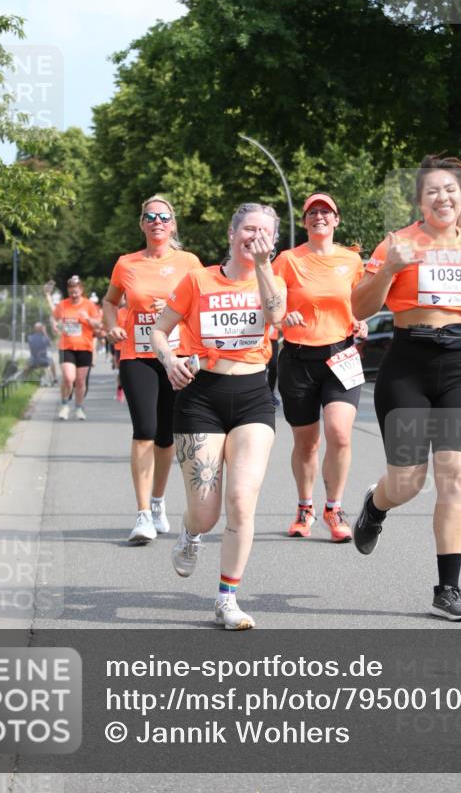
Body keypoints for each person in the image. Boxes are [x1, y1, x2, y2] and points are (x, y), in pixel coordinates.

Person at [351, 155, 461, 622]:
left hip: (458, 369)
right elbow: (360, 306)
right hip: (408, 367)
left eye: (450, 189)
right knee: (408, 482)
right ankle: (375, 504)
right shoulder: (398, 243)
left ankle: (447, 590)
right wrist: (388, 268)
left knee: (454, 479)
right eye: (432, 191)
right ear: (420, 201)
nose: (442, 197)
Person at [151, 202, 286, 630]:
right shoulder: (197, 279)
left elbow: (277, 315)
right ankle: (191, 535)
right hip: (200, 396)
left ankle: (227, 598)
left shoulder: (272, 279)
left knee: (242, 502)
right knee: (206, 514)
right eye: (248, 229)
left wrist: (264, 267)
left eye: (265, 231)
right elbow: (158, 330)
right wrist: (170, 359)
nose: (255, 237)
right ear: (231, 234)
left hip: (252, 396)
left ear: (274, 242)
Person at [103, 196, 201, 544]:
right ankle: (143, 513)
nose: (157, 221)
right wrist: (113, 325)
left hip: (176, 356)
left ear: (172, 224)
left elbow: (201, 305)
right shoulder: (126, 264)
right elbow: (110, 301)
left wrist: (174, 310)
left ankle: (158, 503)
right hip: (138, 355)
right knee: (144, 429)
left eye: (164, 216)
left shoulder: (189, 262)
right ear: (142, 224)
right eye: (150, 216)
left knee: (166, 435)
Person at [273, 193, 368, 542]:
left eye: (325, 212)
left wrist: (361, 322)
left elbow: (361, 302)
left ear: (337, 220)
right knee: (307, 442)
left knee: (340, 434)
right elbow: (269, 300)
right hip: (298, 359)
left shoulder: (352, 261)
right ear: (304, 222)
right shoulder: (287, 260)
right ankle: (304, 506)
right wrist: (283, 315)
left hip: (341, 355)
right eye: (312, 212)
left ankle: (334, 507)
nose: (319, 217)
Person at [48, 276, 101, 421]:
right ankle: (65, 404)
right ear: (68, 291)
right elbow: (53, 317)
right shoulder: (63, 305)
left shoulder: (89, 305)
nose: (74, 295)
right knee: (68, 377)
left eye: (76, 292)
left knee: (80, 381)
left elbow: (99, 325)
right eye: (71, 292)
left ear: (81, 290)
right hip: (66, 347)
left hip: (85, 348)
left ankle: (79, 407)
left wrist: (87, 319)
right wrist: (53, 323)